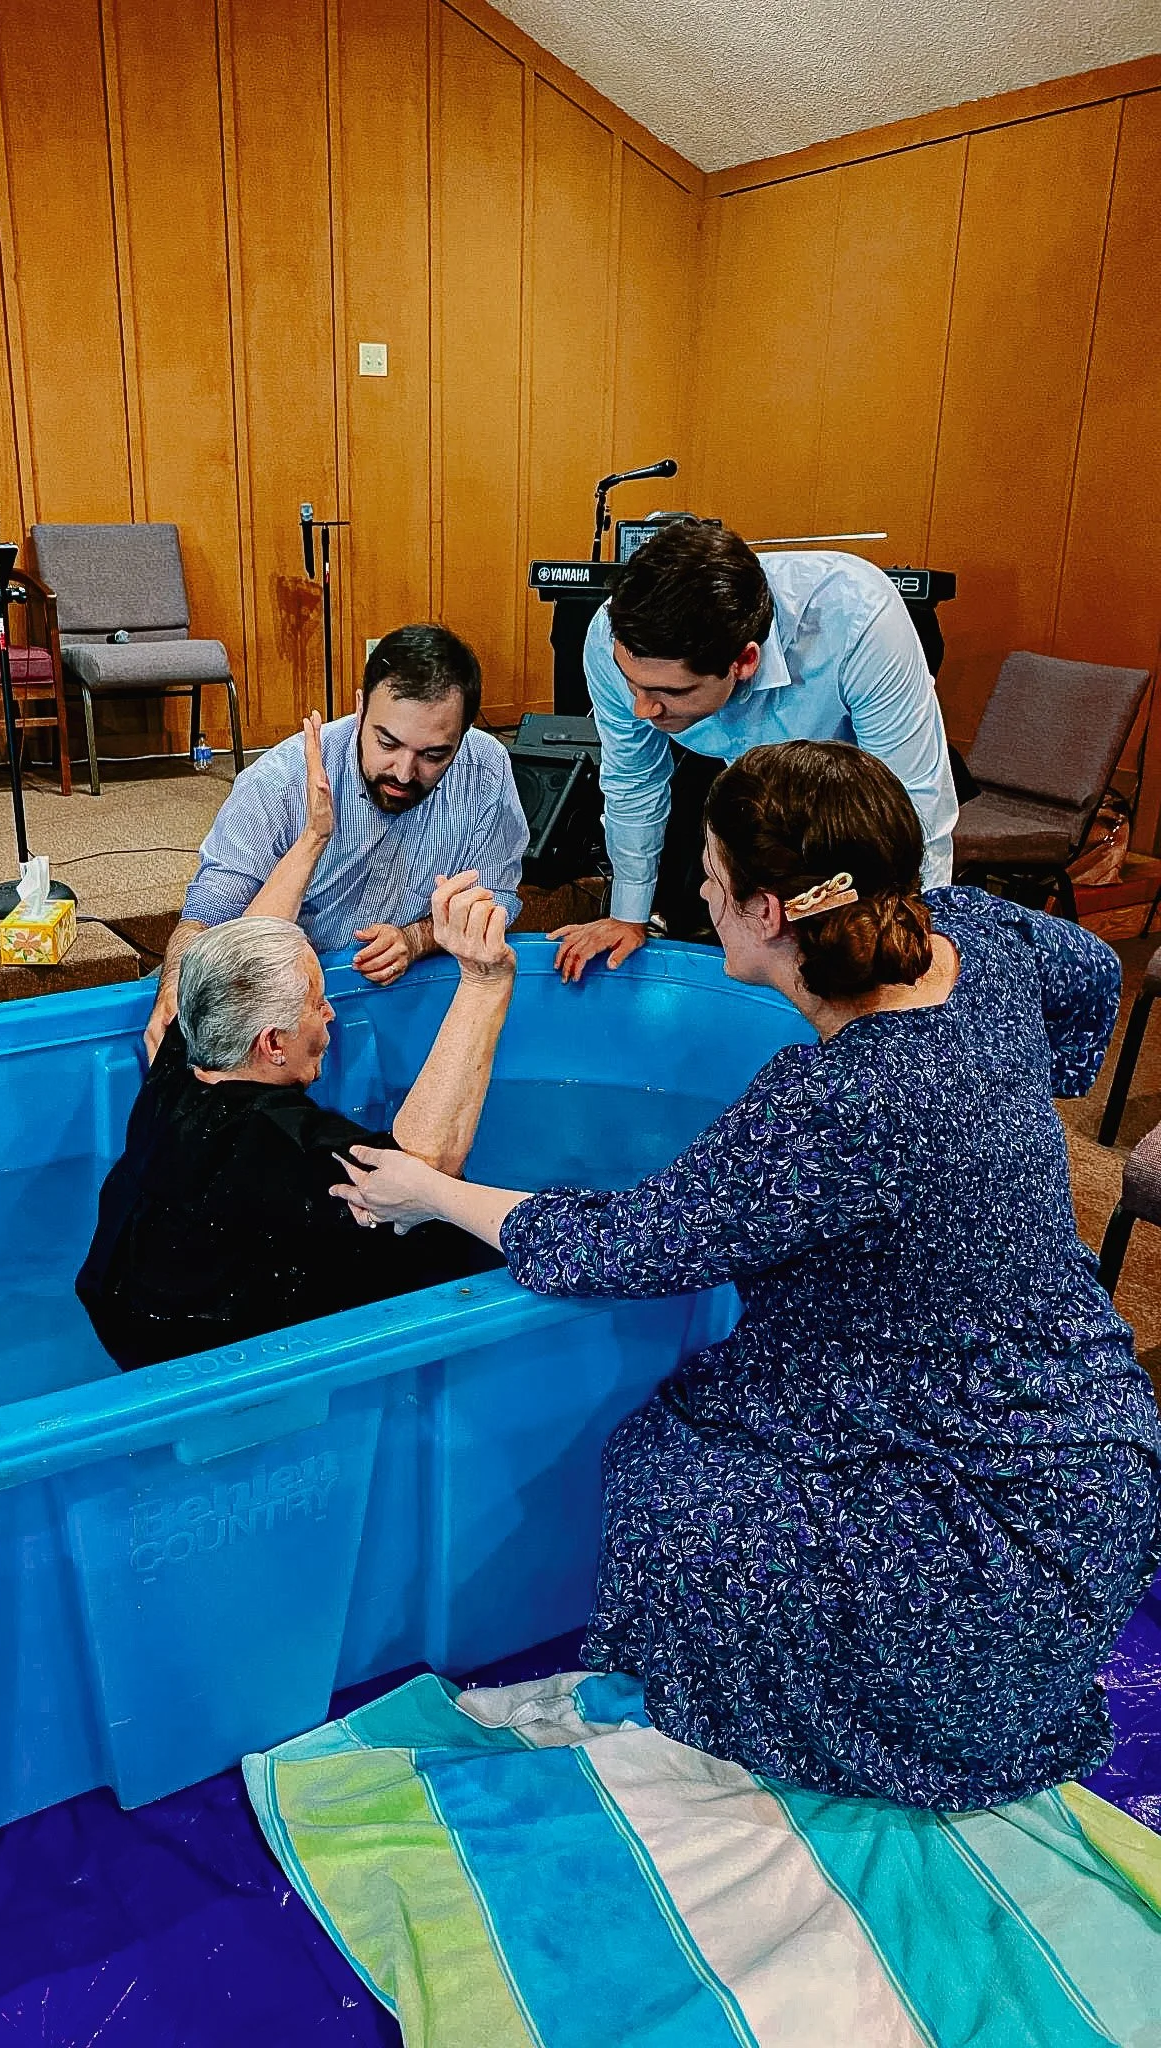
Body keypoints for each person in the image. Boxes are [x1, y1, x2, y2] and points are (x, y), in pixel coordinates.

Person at [333, 739, 1161, 1809]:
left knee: (667, 1480)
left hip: (998, 1541)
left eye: (713, 876)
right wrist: (1017, 1104)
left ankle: (866, 1711)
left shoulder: (842, 1099)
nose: (699, 889)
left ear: (770, 913)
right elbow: (1095, 972)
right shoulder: (979, 934)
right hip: (1099, 1437)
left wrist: (428, 1191)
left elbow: (623, 1245)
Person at [77, 871, 514, 1372]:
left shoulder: (183, 1053)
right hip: (213, 1362)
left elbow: (247, 943)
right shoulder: (288, 1145)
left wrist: (312, 837)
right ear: (274, 1044)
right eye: (316, 1004)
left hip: (124, 1313)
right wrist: (486, 981)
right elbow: (422, 1170)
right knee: (446, 1231)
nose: (329, 1014)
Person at [551, 518, 959, 976]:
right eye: (633, 686)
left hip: (857, 787)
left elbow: (910, 802)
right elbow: (632, 782)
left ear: (744, 660)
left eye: (672, 692)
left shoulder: (860, 619)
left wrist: (917, 942)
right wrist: (628, 916)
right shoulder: (610, 638)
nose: (643, 709)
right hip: (750, 787)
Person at [144, 623, 529, 1060]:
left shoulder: (486, 769)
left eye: (433, 754)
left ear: (461, 737)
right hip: (275, 1013)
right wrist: (176, 981)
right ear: (361, 708)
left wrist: (418, 939)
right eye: (387, 742)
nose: (404, 772)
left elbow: (497, 896)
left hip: (389, 999)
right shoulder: (281, 779)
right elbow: (211, 916)